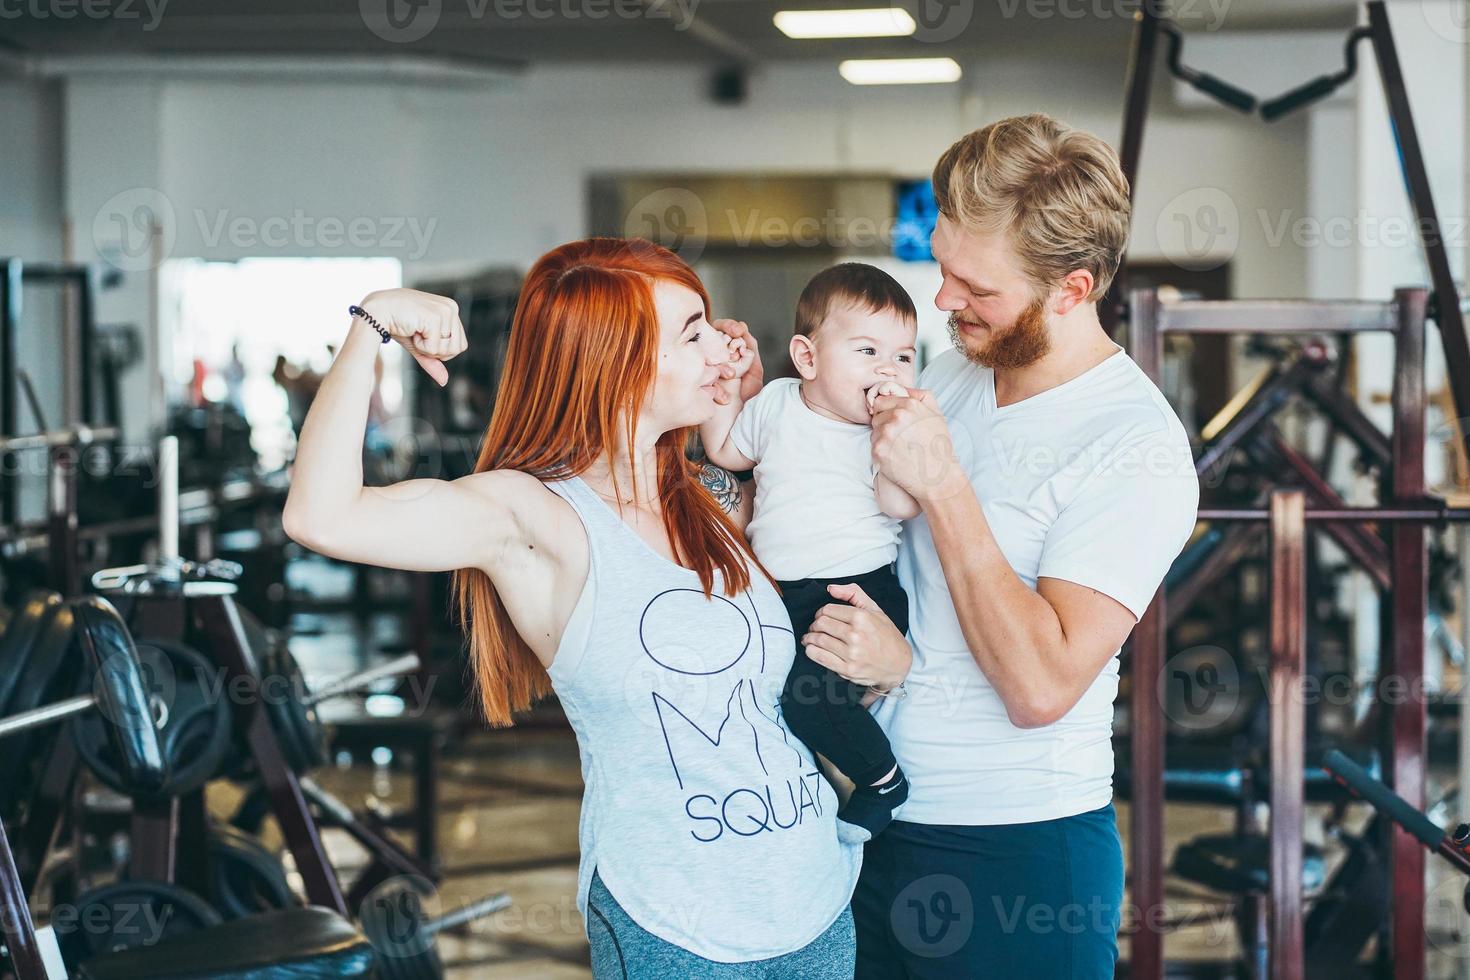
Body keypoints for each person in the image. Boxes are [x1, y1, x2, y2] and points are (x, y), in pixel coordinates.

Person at [282, 237, 863, 977]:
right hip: (682, 928)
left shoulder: (708, 498)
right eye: (692, 332)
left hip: (814, 897)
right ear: (616, 362)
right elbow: (320, 517)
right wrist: (374, 323)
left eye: (710, 323)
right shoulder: (536, 519)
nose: (721, 342)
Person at [793, 114, 1200, 977]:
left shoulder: (1135, 445)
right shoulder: (954, 372)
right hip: (881, 824)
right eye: (943, 268)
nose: (943, 301)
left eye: (972, 285)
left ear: (1072, 288)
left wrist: (944, 487)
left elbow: (1041, 685)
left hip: (1019, 857)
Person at [701, 262, 920, 844]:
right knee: (769, 694)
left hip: (859, 591)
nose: (887, 369)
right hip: (784, 593)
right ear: (807, 357)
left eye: (903, 355)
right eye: (868, 350)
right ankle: (799, 800)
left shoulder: (883, 432)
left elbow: (900, 506)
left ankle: (882, 780)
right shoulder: (774, 404)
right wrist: (725, 386)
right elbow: (725, 451)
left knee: (811, 700)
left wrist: (894, 433)